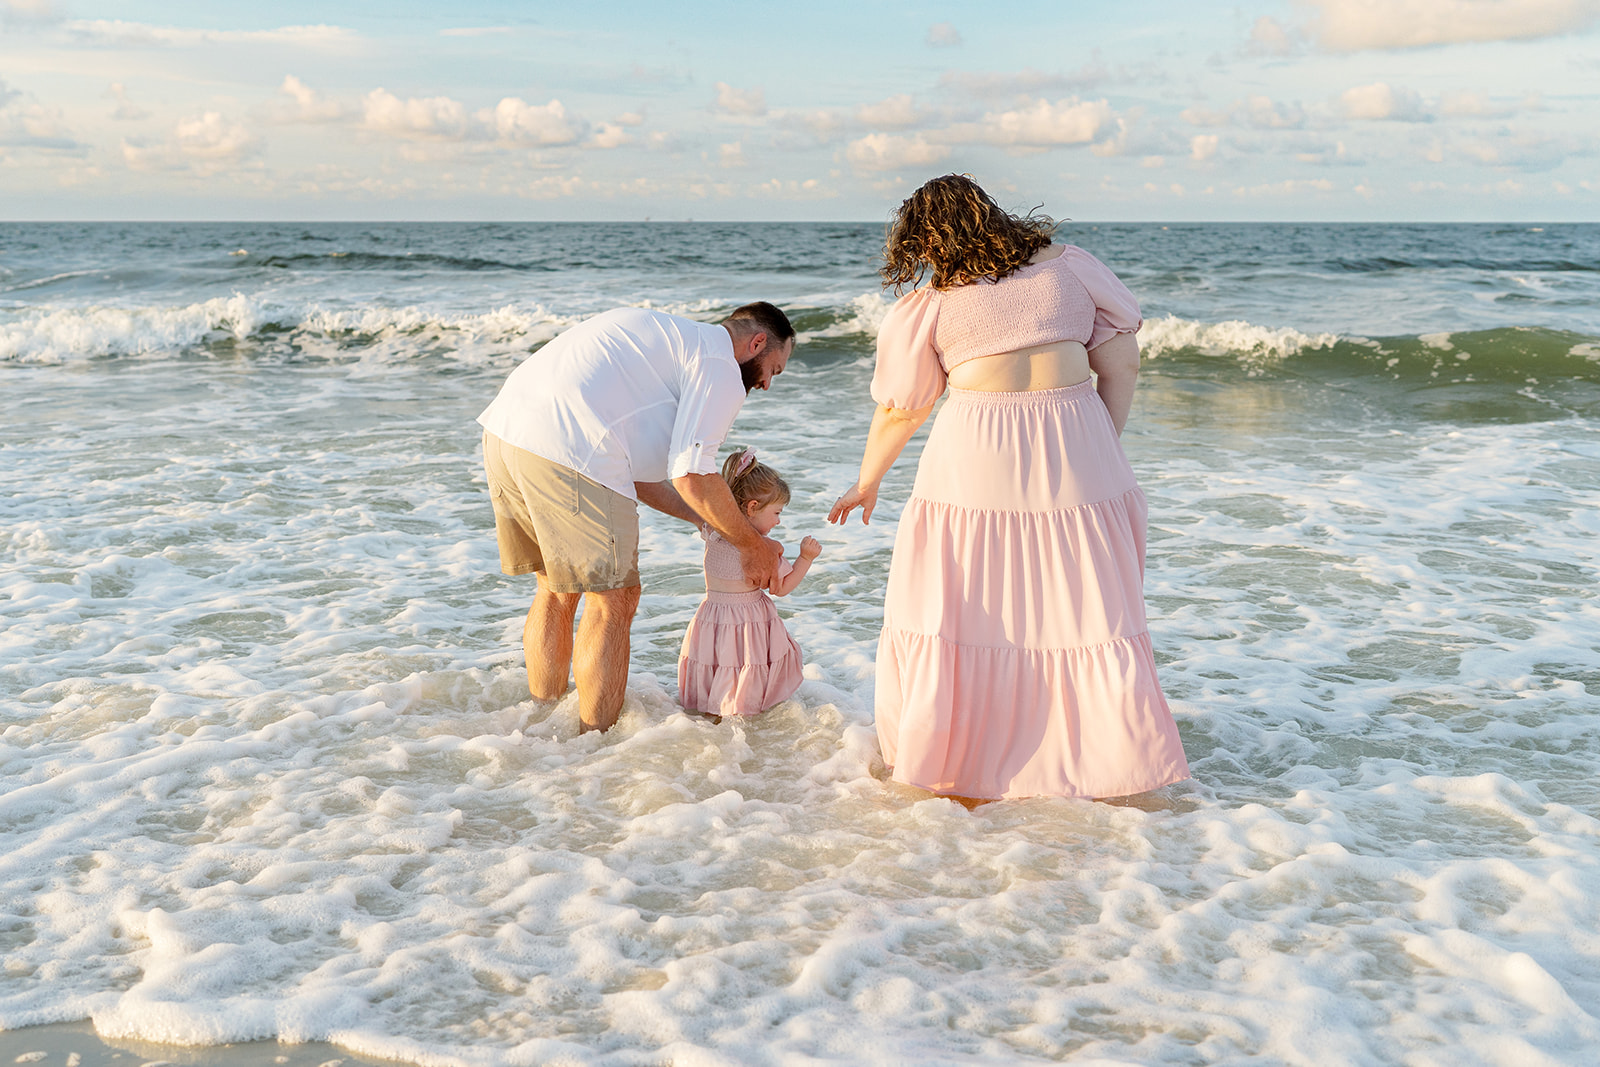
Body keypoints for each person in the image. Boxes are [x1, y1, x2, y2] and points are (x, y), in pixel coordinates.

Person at [828, 174, 1189, 800]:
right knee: (1087, 604)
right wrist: (1105, 435)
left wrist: (867, 481)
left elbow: (901, 409)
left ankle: (965, 761)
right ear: (990, 213)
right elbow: (1122, 355)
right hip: (1079, 442)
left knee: (966, 604)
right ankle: (1108, 762)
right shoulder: (1071, 268)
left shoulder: (933, 305)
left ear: (927, 237)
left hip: (974, 454)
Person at [478, 302, 795, 733]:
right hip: (571, 447)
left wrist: (714, 525)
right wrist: (751, 544)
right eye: (773, 368)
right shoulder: (719, 364)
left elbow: (643, 480)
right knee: (614, 599)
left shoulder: (668, 343)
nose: (766, 384)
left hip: (506, 433)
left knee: (555, 587)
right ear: (756, 343)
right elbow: (693, 475)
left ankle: (541, 723)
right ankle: (595, 745)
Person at [678, 447, 822, 719]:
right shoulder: (763, 549)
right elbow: (782, 587)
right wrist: (806, 558)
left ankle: (709, 715)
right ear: (753, 507)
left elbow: (699, 503)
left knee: (717, 666)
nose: (779, 521)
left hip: (712, 618)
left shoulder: (712, 531)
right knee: (745, 674)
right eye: (777, 513)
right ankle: (745, 719)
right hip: (746, 624)